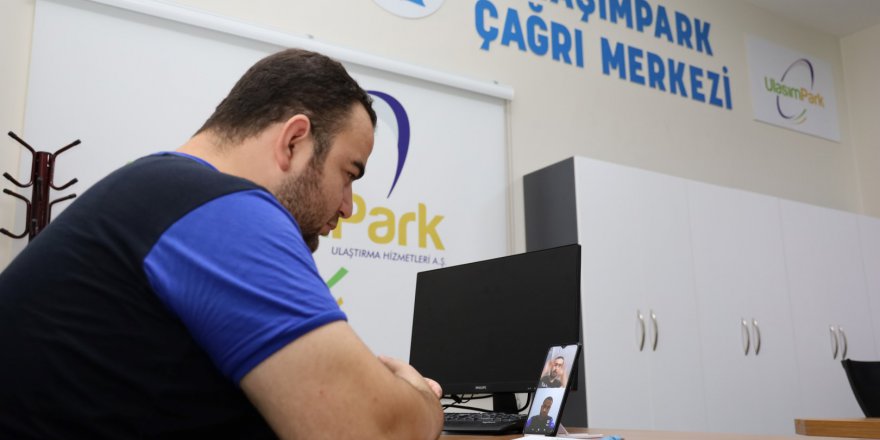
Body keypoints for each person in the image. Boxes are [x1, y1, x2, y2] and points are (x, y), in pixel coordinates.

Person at [0, 48, 443, 439]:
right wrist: (420, 396)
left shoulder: (161, 192)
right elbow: (373, 432)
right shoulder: (221, 210)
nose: (348, 207)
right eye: (348, 174)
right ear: (293, 141)